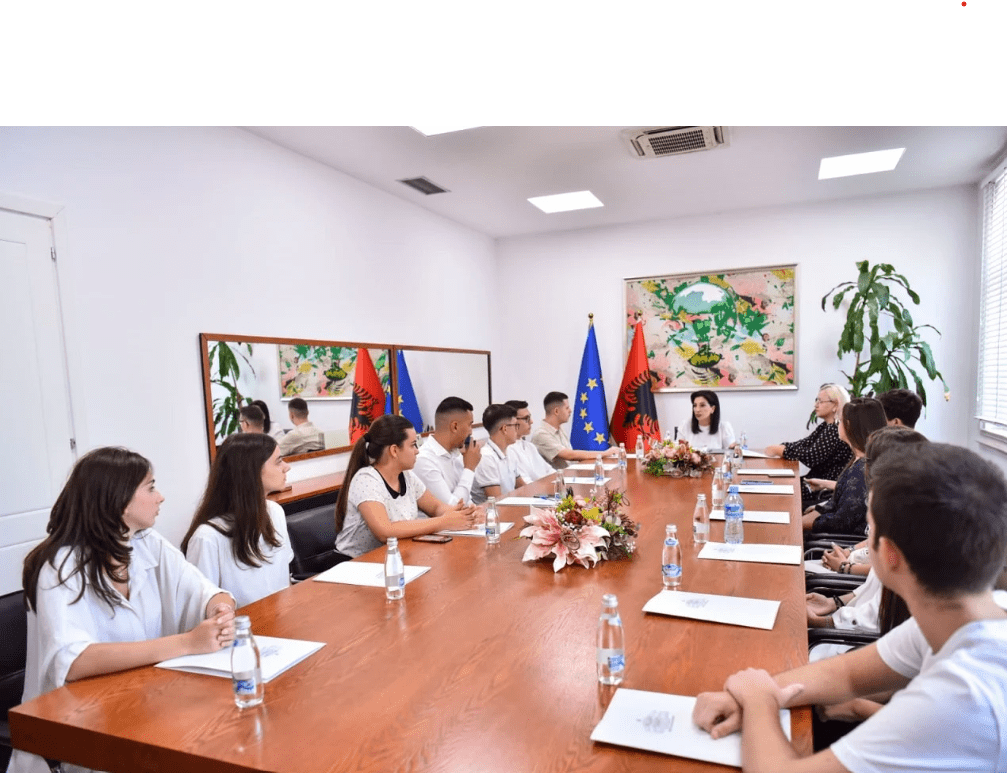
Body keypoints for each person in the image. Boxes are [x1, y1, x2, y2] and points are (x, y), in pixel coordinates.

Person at [694, 443, 1007, 772]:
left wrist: (759, 701)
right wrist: (752, 695)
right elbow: (845, 675)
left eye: (869, 528)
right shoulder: (971, 614)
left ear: (889, 554)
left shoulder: (963, 699)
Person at [11, 448, 236, 773]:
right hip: (75, 732)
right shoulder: (60, 567)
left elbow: (205, 592)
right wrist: (187, 643)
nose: (161, 497)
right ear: (120, 502)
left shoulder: (147, 543)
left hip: (141, 704)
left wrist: (220, 610)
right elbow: (74, 661)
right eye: (151, 487)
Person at [334, 415, 478, 558]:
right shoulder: (366, 479)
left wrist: (465, 515)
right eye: (413, 445)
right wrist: (443, 522)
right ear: (394, 450)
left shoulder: (407, 476)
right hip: (354, 561)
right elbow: (385, 532)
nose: (417, 450)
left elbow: (436, 507)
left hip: (394, 555)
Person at [181, 433, 294, 608]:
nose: (287, 467)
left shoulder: (275, 512)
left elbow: (284, 579)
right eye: (278, 461)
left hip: (282, 616)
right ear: (252, 471)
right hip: (242, 624)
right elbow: (200, 607)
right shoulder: (207, 538)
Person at [803, 397, 888, 535]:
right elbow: (838, 502)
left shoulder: (862, 470)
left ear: (848, 425)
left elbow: (842, 522)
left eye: (840, 421)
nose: (837, 425)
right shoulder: (861, 459)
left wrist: (800, 523)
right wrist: (818, 511)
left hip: (836, 541)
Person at [765, 383, 853, 509]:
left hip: (823, 490)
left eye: (820, 401)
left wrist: (782, 450)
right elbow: (804, 443)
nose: (816, 405)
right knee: (776, 487)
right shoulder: (826, 426)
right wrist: (782, 447)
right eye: (816, 400)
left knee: (777, 495)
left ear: (835, 405)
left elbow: (811, 457)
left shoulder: (835, 429)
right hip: (815, 483)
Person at [413, 396, 481, 506]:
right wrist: (469, 468)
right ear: (455, 426)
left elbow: (468, 501)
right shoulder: (424, 460)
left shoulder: (456, 455)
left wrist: (475, 509)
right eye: (469, 425)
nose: (471, 432)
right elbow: (451, 507)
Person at [530, 391, 616, 470]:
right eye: (567, 408)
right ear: (556, 411)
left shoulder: (559, 429)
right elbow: (569, 455)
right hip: (556, 479)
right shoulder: (541, 434)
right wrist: (605, 453)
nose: (570, 411)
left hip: (571, 475)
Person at [472, 404, 525, 505]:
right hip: (492, 511)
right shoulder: (486, 458)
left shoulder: (510, 452)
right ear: (505, 429)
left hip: (509, 506)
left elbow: (523, 487)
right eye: (515, 425)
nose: (517, 430)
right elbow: (497, 501)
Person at [504, 399, 555, 483]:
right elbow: (526, 483)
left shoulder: (530, 446)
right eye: (526, 418)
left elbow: (549, 470)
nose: (531, 422)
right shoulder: (508, 450)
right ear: (512, 421)